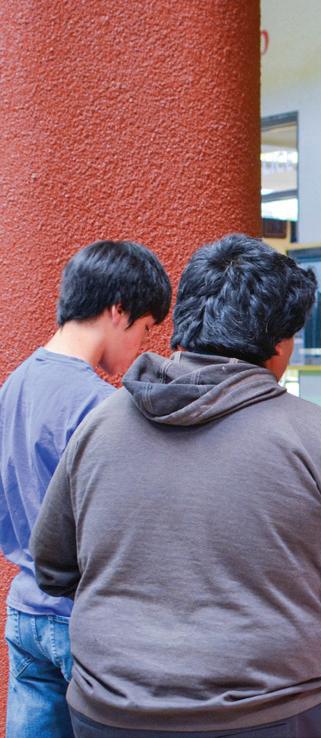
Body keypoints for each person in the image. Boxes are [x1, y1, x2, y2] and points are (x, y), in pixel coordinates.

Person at [31, 234, 321, 737]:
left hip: (109, 713)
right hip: (268, 715)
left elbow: (52, 567)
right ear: (280, 344)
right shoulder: (318, 438)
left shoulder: (99, 427)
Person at [0, 240, 171, 738]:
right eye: (145, 328)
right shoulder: (100, 407)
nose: (142, 346)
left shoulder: (14, 385)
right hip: (83, 618)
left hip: (25, 608)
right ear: (118, 310)